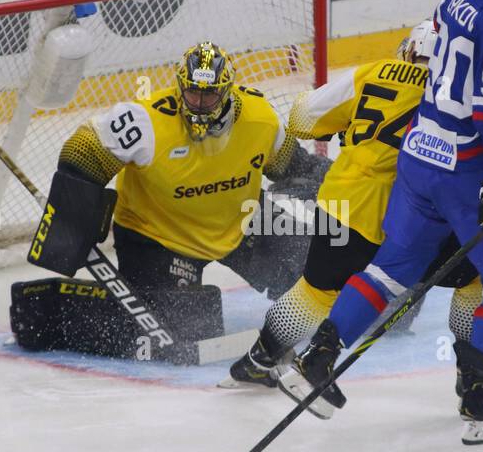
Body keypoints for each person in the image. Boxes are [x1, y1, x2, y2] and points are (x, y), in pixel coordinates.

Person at [278, 0, 483, 443]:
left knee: (391, 267)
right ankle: (481, 398)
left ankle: (316, 360)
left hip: (418, 154)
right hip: (463, 167)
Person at [224, 23, 483, 414]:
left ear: (409, 51)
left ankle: (260, 361)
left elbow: (300, 118)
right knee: (476, 280)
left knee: (316, 290)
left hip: (346, 201)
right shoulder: (460, 94)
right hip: (416, 211)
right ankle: (473, 377)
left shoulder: (372, 73)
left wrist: (352, 126)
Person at [28, 41, 325, 303]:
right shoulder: (145, 121)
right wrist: (73, 215)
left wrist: (339, 180)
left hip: (240, 218)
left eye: (209, 96)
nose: (198, 104)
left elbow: (292, 166)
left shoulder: (261, 118)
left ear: (226, 91)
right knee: (189, 322)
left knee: (319, 272)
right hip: (160, 239)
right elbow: (82, 150)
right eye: (192, 92)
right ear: (180, 85)